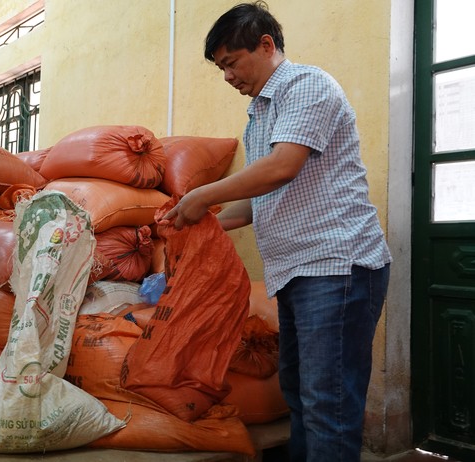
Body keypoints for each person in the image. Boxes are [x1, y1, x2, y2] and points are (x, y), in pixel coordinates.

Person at [160, 3, 392, 461]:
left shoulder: (307, 85)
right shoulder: (260, 113)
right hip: (297, 272)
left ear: (266, 46)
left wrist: (202, 196)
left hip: (336, 267)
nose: (227, 76)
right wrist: (194, 220)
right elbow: (259, 198)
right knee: (301, 399)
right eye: (221, 67)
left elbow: (281, 168)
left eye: (232, 62)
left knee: (329, 406)